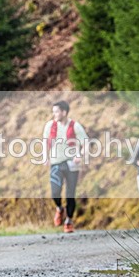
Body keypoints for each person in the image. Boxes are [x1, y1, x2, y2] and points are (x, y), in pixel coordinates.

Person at [42, 100, 88, 233]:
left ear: (64, 112)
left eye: (56, 111)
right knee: (55, 192)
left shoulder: (75, 126)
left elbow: (86, 143)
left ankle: (68, 221)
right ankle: (59, 209)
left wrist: (80, 155)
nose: (54, 114)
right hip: (56, 162)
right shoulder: (50, 125)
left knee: (70, 194)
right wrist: (45, 157)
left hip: (71, 163)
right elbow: (45, 142)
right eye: (53, 111)